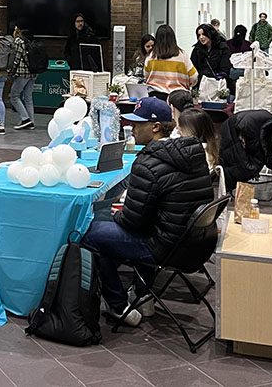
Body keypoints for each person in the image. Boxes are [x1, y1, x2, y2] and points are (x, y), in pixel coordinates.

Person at [80, 97, 212, 327]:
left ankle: (118, 305)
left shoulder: (148, 163)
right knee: (116, 234)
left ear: (155, 127)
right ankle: (143, 294)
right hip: (194, 243)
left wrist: (115, 214)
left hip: (165, 247)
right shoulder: (193, 153)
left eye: (137, 124)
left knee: (90, 233)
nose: (131, 128)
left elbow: (133, 222)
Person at [218, 109, 272, 190]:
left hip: (235, 125)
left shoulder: (264, 126)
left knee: (242, 166)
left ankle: (228, 189)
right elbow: (257, 157)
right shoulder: (270, 129)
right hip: (237, 128)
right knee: (245, 168)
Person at [143, 25, 197, 97]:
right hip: (178, 97)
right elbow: (194, 77)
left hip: (155, 96)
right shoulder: (182, 55)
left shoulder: (151, 56)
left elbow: (146, 75)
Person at [8, 25, 36, 131]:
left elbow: (17, 58)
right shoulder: (31, 39)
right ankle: (31, 122)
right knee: (28, 98)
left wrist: (11, 71)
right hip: (33, 73)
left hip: (23, 73)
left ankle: (25, 119)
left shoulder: (19, 41)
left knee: (14, 96)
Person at [190, 23, 232, 88]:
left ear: (210, 34)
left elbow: (225, 68)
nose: (201, 37)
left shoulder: (222, 48)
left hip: (218, 84)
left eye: (204, 34)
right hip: (201, 85)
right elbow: (193, 67)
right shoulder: (197, 50)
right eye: (199, 35)